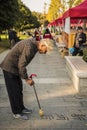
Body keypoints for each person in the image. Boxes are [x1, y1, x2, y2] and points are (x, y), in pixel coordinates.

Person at [0, 38, 53, 120]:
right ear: (42, 45)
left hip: (15, 68)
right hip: (9, 68)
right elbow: (21, 65)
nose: (45, 53)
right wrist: (27, 79)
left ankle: (21, 108)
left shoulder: (34, 45)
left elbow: (21, 64)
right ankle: (17, 112)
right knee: (14, 91)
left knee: (19, 89)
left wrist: (25, 77)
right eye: (45, 50)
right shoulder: (30, 47)